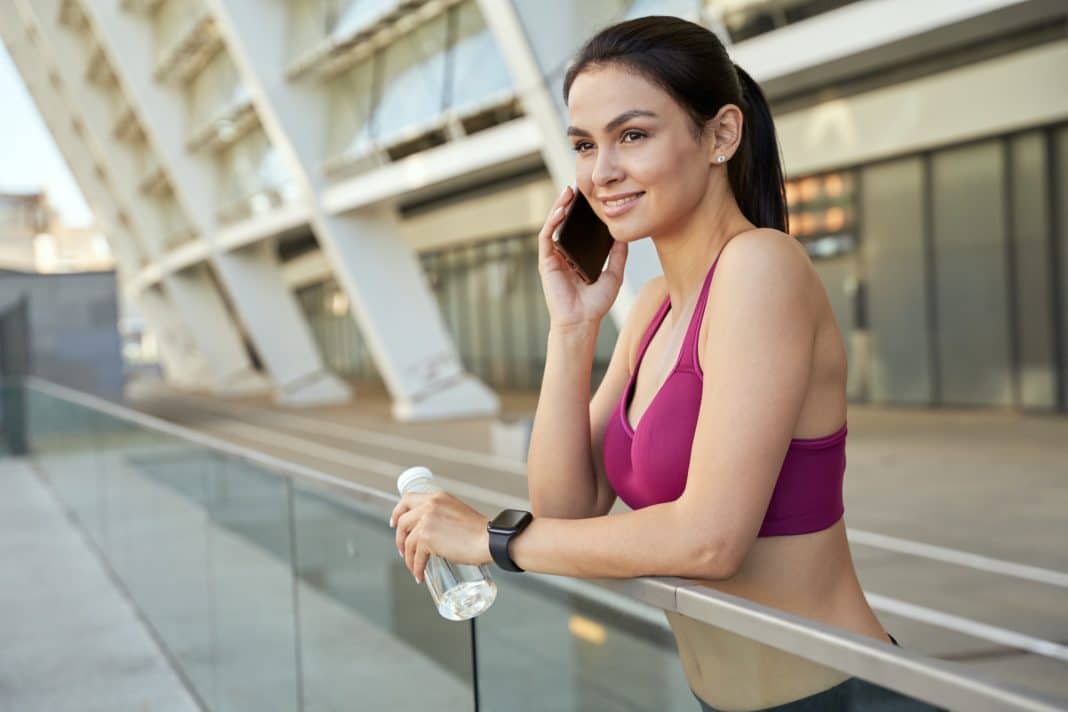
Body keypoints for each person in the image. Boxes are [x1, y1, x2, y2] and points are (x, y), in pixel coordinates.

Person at [391, 15, 939, 711]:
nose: (602, 171)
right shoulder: (651, 309)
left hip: (837, 697)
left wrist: (490, 539)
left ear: (721, 136)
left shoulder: (761, 267)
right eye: (585, 145)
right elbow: (567, 513)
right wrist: (573, 328)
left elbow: (710, 541)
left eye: (633, 135)